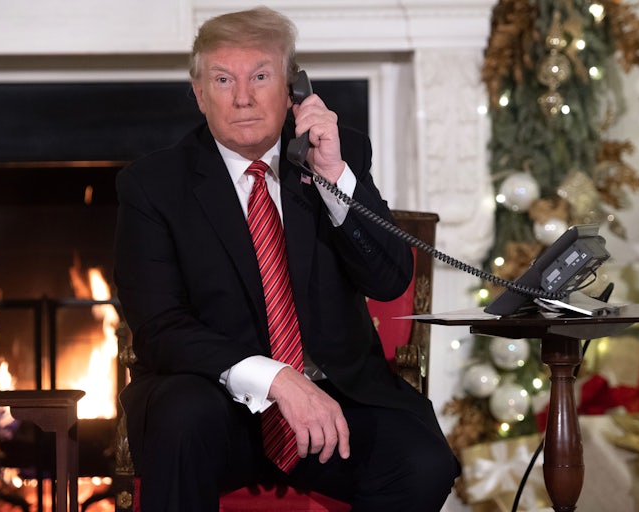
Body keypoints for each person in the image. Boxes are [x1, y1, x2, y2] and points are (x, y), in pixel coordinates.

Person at [114, 6, 460, 511]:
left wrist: (335, 177)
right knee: (180, 418)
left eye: (260, 76)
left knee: (421, 462)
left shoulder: (334, 158)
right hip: (216, 403)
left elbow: (389, 280)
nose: (243, 97)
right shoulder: (152, 186)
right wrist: (274, 378)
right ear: (198, 93)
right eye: (223, 79)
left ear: (293, 88)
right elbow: (159, 327)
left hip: (331, 401)